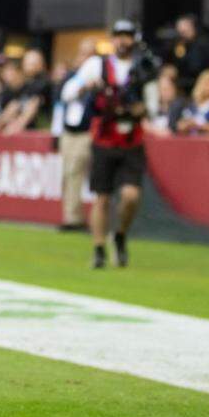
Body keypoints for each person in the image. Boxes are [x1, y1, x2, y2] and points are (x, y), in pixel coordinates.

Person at [60, 20, 148, 270]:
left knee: (131, 195)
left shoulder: (143, 66)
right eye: (119, 36)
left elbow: (153, 99)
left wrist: (143, 108)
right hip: (104, 138)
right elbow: (68, 91)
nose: (123, 41)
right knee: (102, 197)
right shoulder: (97, 65)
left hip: (132, 138)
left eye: (128, 36)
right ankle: (99, 247)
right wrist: (84, 88)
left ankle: (120, 234)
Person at [54, 38, 97, 231]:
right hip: (68, 132)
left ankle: (86, 218)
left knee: (82, 173)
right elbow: (60, 103)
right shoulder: (70, 78)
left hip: (87, 131)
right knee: (68, 173)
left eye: (89, 54)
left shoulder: (99, 79)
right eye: (83, 53)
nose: (85, 58)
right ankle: (71, 216)